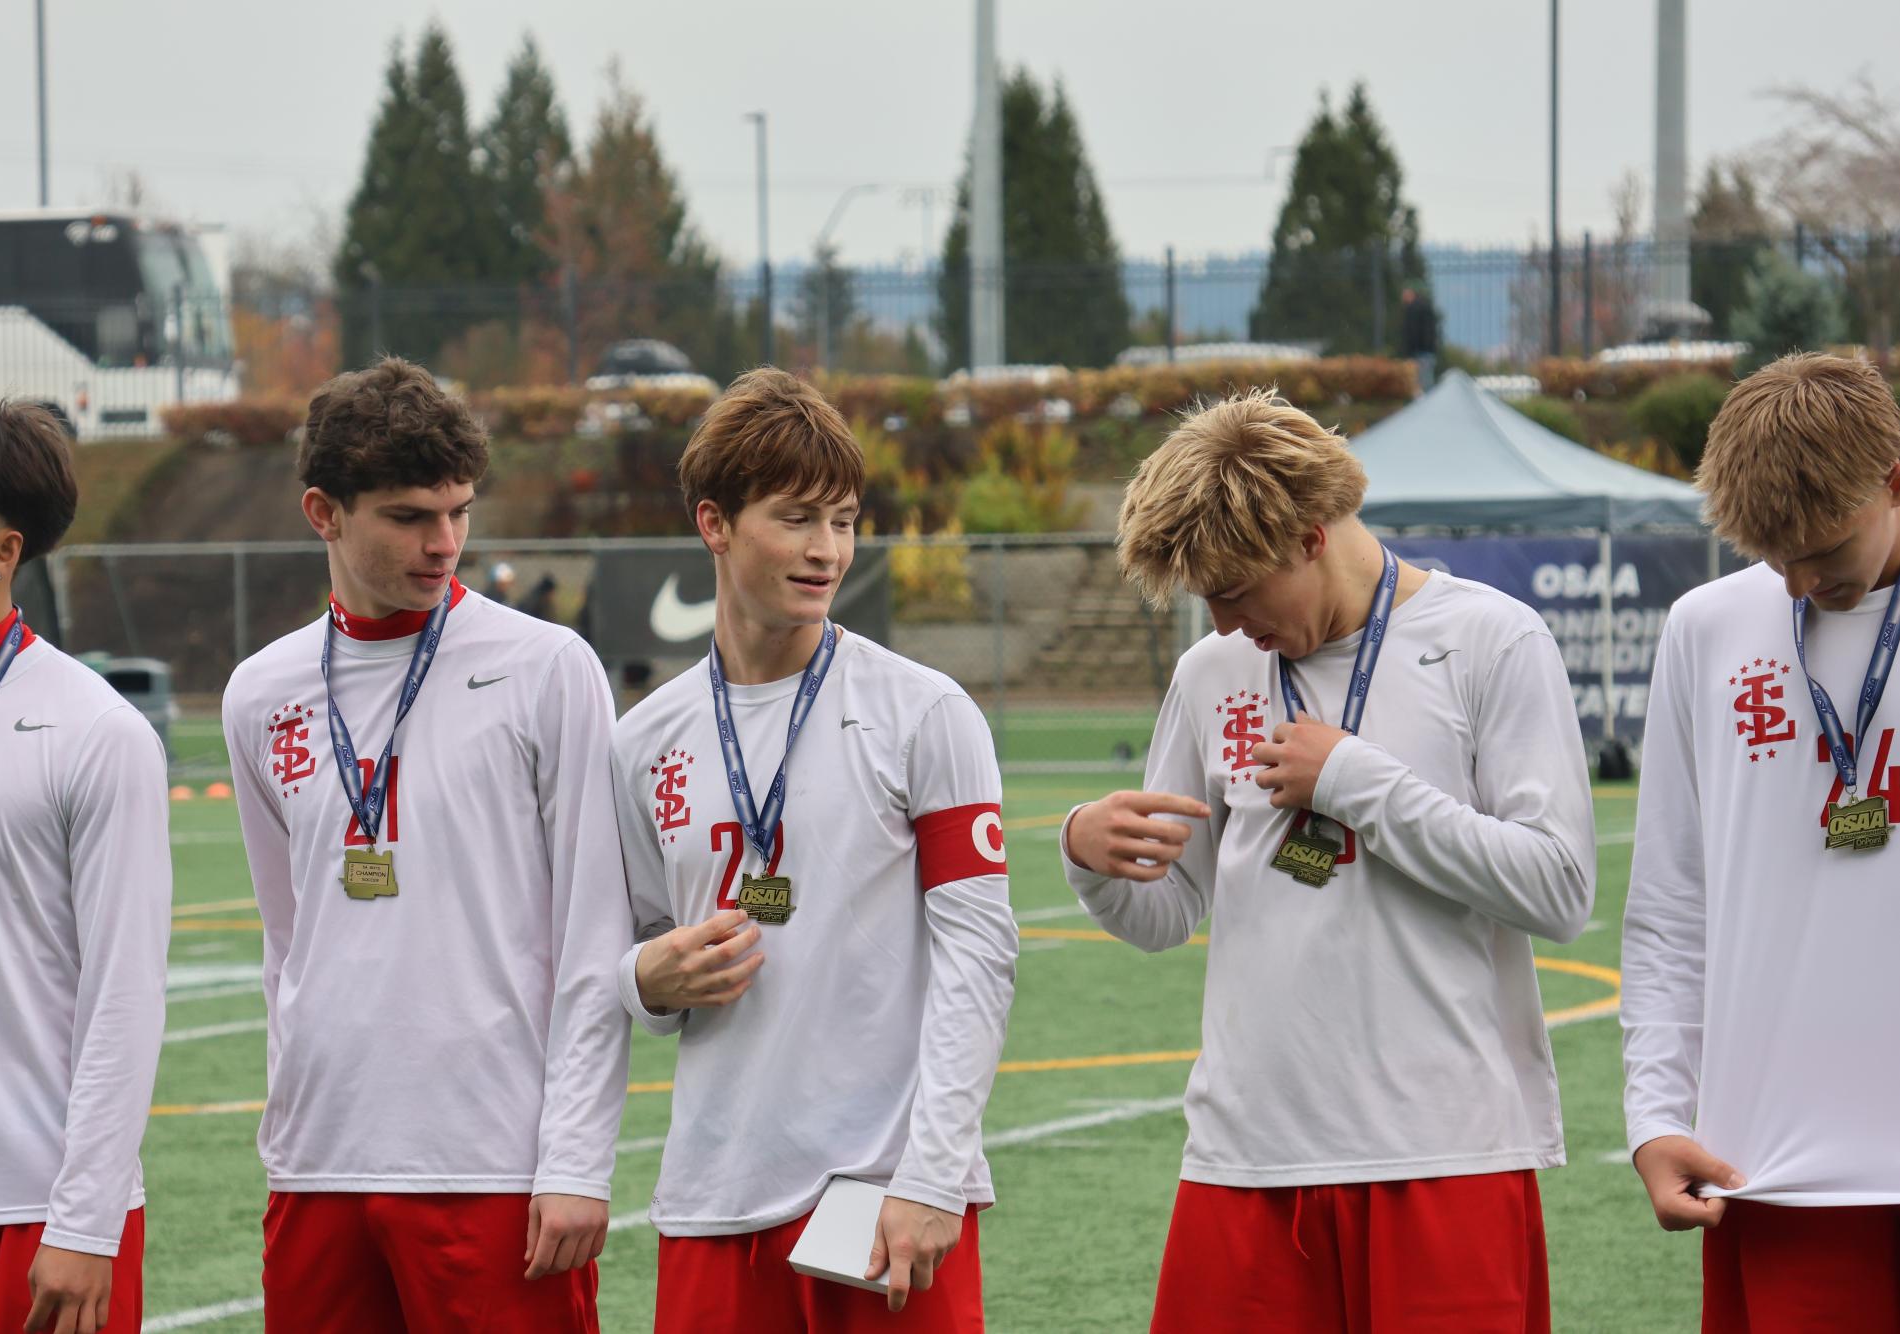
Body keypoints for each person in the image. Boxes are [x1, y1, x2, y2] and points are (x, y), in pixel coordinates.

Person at [1063, 387, 1594, 1332]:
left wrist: (1355, 780)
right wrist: (1092, 858)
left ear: (1310, 535)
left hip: (1442, 1156)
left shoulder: (1490, 639)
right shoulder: (1210, 675)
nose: (1224, 626)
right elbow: (1165, 914)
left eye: (1232, 593)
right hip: (1246, 1157)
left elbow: (1556, 888)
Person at [221, 359, 633, 1332]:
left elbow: (594, 930)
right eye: (409, 515)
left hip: (491, 1163)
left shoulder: (548, 669)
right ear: (324, 511)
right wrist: (290, 1125)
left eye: (458, 510)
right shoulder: (260, 691)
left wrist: (576, 1156)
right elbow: (289, 943)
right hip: (320, 1164)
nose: (444, 541)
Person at [611, 367, 1018, 1332]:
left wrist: (934, 1175)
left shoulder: (925, 713)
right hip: (713, 1200)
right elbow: (611, 959)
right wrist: (645, 980)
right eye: (796, 519)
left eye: (842, 521)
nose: (826, 549)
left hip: (884, 1200)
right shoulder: (641, 742)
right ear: (715, 524)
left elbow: (980, 959)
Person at [1624, 352, 1900, 1329]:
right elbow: (1668, 904)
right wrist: (1656, 1114)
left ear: (1893, 481)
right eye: (1773, 555)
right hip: (1775, 1176)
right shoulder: (1707, 626)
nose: (1799, 578)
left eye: (1823, 547)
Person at [0, 399, 170, 1334]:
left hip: (35, 1212)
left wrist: (87, 1222)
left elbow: (125, 997)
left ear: (2, 552)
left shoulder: (97, 732)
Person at [1399, 285, 1440, 394]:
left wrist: (1409, 352)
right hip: (1427, 350)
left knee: (1422, 384)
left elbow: (1413, 332)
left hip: (1419, 351)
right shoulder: (1425, 306)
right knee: (1427, 382)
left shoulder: (1413, 309)